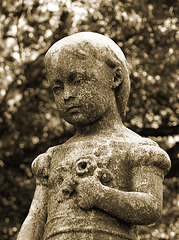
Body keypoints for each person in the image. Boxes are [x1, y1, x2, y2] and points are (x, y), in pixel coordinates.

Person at [17, 32, 171, 240]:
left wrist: (101, 196)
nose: (67, 95)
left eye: (78, 80)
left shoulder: (136, 149)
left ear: (115, 78)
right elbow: (35, 218)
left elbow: (150, 207)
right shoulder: (52, 158)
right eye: (57, 87)